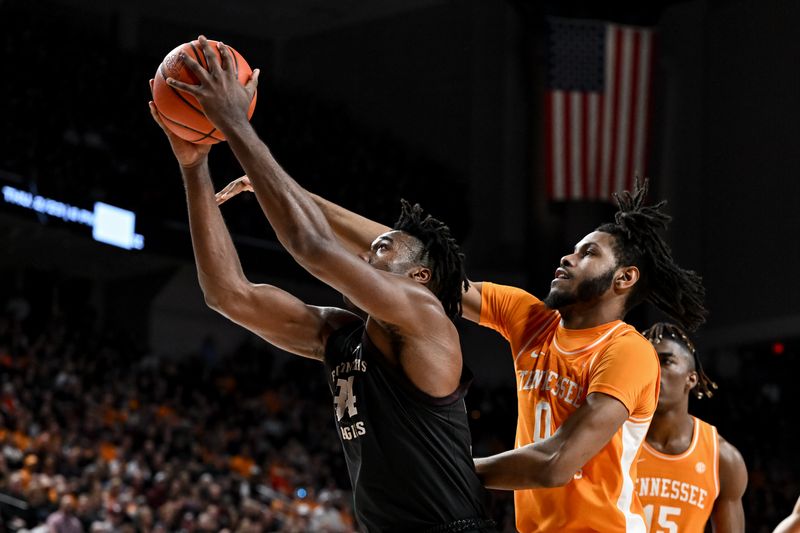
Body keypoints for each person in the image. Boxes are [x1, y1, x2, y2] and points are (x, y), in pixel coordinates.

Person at [219, 171, 708, 531]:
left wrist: (457, 470)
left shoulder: (627, 352)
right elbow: (417, 259)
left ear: (623, 279)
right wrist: (293, 195)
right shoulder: (532, 320)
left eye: (588, 254)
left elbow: (558, 462)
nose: (567, 256)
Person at [149, 36, 493, 533]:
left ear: (421, 276)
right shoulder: (340, 335)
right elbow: (228, 294)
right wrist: (194, 165)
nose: (366, 250)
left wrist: (233, 121)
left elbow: (310, 245)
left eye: (383, 246)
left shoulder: (425, 316)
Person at [638, 322, 747, 533]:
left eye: (666, 362)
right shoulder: (613, 440)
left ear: (691, 379)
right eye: (646, 362)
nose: (654, 371)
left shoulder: (723, 458)